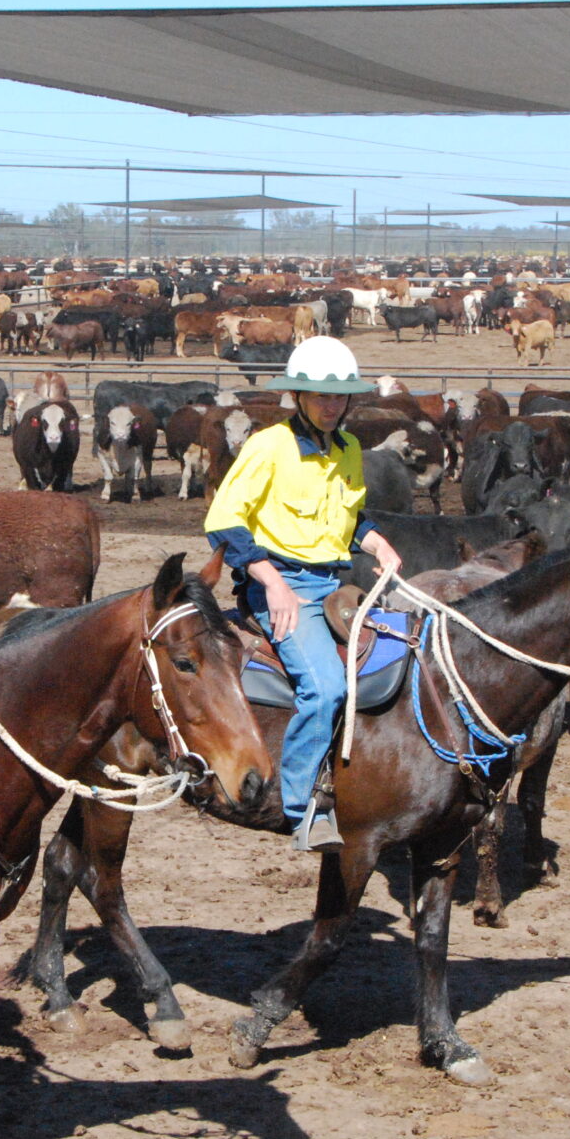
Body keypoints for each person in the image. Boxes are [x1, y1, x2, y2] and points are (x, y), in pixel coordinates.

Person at [203, 337, 402, 853]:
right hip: (279, 585)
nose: (332, 406)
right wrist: (272, 584)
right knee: (326, 686)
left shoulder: (350, 449)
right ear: (298, 397)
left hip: (333, 585)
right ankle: (302, 809)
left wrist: (376, 541)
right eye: (320, 396)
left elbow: (350, 513)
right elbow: (223, 522)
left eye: (339, 398)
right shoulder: (270, 445)